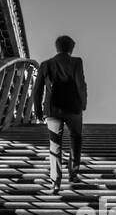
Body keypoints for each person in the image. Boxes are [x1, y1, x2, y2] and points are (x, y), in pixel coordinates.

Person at [31, 34, 88, 191]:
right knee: (76, 138)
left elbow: (37, 90)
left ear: (57, 47)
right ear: (71, 48)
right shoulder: (77, 62)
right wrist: (83, 103)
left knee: (55, 143)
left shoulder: (46, 64)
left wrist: (38, 110)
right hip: (73, 108)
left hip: (53, 109)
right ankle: (73, 174)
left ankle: (55, 181)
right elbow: (81, 84)